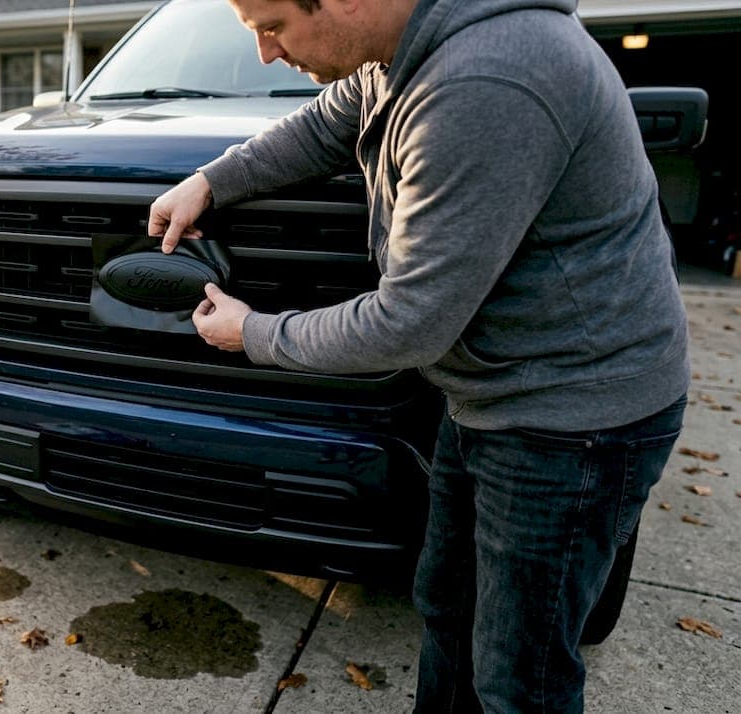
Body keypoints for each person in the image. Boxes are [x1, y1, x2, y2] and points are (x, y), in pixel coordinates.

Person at [147, 0, 688, 711]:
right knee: (449, 606)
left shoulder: (487, 79)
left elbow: (409, 322)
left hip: (572, 417)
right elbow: (324, 124)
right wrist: (210, 181)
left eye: (271, 25)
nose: (267, 55)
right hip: (492, 390)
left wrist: (254, 333)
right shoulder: (396, 52)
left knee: (518, 678)